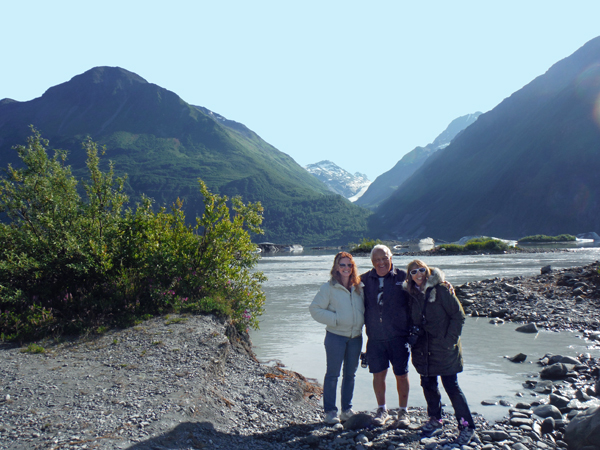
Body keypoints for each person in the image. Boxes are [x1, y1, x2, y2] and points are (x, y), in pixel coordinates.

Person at [403, 259, 477, 445]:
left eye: (421, 270)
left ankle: (467, 427)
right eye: (413, 272)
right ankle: (436, 419)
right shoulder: (412, 295)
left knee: (451, 387)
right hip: (423, 350)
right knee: (428, 384)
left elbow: (458, 316)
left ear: (427, 271)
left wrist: (449, 342)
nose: (418, 274)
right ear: (410, 276)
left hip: (444, 349)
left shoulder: (442, 290)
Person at [309, 251, 364, 424]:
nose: (346, 268)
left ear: (353, 267)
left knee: (350, 374)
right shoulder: (328, 288)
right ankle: (330, 412)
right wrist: (336, 320)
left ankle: (346, 410)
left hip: (356, 337)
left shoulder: (359, 287)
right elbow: (315, 309)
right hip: (335, 337)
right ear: (336, 267)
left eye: (349, 265)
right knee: (332, 375)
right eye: (342, 265)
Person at [360, 244, 411, 429]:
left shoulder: (404, 277)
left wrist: (444, 284)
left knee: (401, 375)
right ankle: (382, 409)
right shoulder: (364, 279)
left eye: (384, 258)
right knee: (378, 375)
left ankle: (403, 411)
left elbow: (424, 285)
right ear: (372, 262)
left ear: (391, 257)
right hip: (375, 338)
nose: (381, 262)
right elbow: (344, 290)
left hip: (399, 336)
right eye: (377, 260)